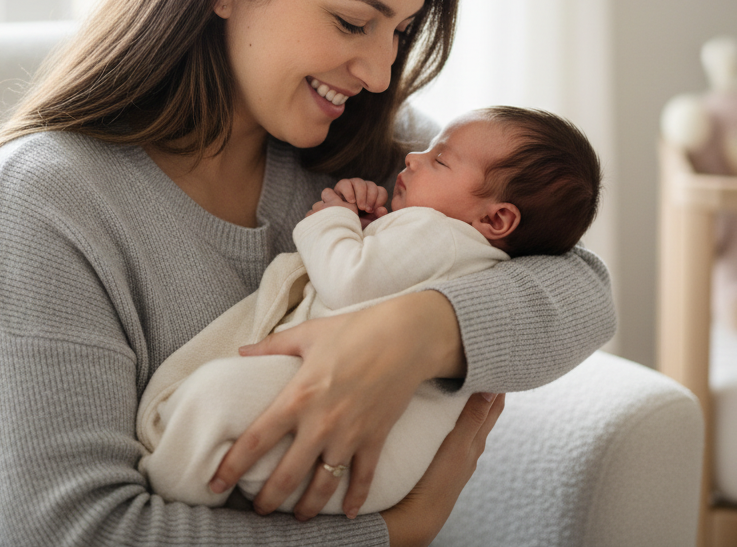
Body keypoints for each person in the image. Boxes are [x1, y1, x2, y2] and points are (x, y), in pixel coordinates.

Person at [0, 0, 616, 547]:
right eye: (353, 21)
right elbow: (70, 530)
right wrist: (395, 532)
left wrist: (418, 331)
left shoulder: (369, 152)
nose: (380, 73)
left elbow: (584, 289)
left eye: (400, 30)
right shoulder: (46, 199)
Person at [136, 107, 602, 516]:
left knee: (217, 397)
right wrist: (371, 233)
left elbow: (347, 282)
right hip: (381, 468)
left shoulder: (437, 232)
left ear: (497, 219)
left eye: (439, 159)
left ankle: (169, 486)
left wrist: (332, 218)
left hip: (343, 443)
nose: (413, 157)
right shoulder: (471, 249)